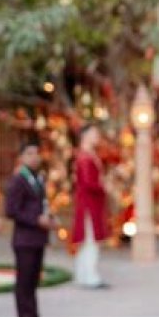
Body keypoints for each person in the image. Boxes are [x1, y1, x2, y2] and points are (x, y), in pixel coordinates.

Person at [5, 141, 57, 317]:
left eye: (36, 153)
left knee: (33, 281)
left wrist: (49, 217)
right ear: (21, 157)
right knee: (24, 283)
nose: (34, 157)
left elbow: (40, 204)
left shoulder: (38, 178)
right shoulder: (18, 180)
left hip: (37, 238)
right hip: (24, 240)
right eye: (29, 153)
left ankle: (32, 314)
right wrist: (36, 220)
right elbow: (11, 210)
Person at [71, 124, 110, 289]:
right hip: (89, 204)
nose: (97, 136)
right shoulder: (85, 157)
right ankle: (90, 276)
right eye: (94, 133)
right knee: (91, 239)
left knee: (88, 240)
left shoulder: (87, 155)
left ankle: (83, 274)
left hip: (90, 202)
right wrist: (104, 187)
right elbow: (88, 182)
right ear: (85, 135)